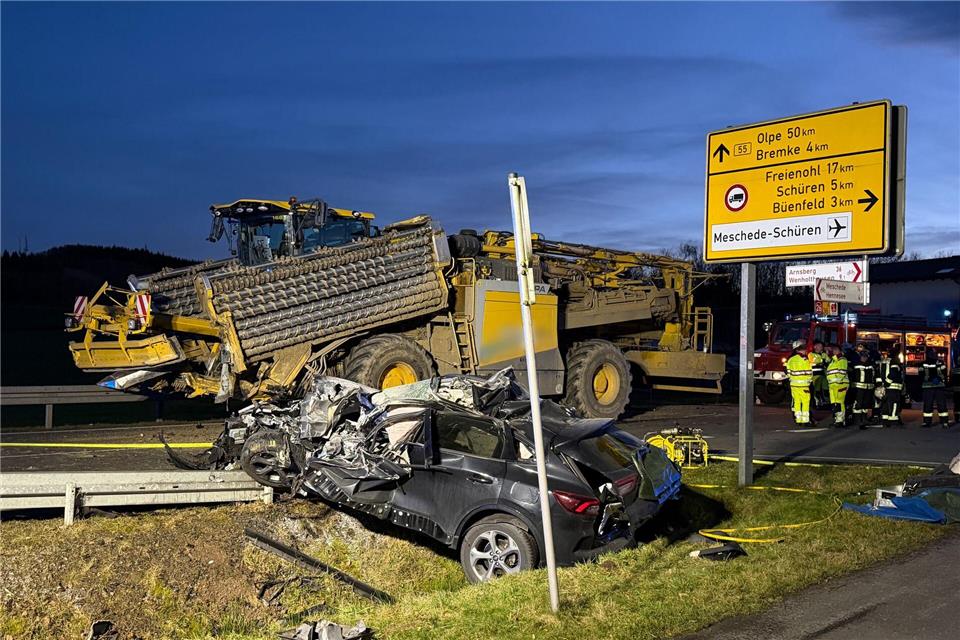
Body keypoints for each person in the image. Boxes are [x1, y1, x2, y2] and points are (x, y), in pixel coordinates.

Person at [785, 340, 813, 426]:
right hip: (804, 385)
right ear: (800, 350)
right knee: (805, 402)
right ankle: (805, 420)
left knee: (797, 402)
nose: (805, 351)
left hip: (794, 385)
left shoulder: (791, 359)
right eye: (804, 350)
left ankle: (798, 419)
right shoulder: (804, 359)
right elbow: (809, 372)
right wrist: (809, 381)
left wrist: (792, 379)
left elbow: (788, 372)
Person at [921, 349, 949, 428]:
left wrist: (939, 379)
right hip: (931, 386)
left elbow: (944, 372)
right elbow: (921, 374)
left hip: (935, 386)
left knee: (940, 404)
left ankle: (943, 422)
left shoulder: (939, 362)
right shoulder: (925, 363)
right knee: (929, 405)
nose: (933, 355)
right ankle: (929, 422)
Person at [851, 343, 875, 430]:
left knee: (865, 405)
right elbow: (853, 376)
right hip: (859, 389)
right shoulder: (856, 364)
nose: (864, 358)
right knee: (858, 405)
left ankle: (864, 419)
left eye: (865, 356)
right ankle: (858, 420)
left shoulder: (871, 365)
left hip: (868, 388)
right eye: (862, 356)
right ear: (860, 356)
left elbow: (873, 376)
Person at [879, 346, 904, 428]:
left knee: (886, 403)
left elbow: (881, 373)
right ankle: (893, 420)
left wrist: (883, 384)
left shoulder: (884, 361)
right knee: (894, 403)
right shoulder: (895, 361)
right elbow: (893, 373)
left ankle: (885, 420)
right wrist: (887, 382)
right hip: (893, 386)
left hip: (886, 386)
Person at [825, 343, 849, 428]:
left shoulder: (841, 359)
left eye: (836, 350)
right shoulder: (833, 360)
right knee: (835, 403)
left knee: (839, 402)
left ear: (839, 351)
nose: (834, 351)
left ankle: (840, 421)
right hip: (833, 385)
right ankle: (837, 420)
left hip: (840, 384)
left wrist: (837, 382)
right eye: (833, 350)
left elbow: (841, 372)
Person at [808, 341, 829, 409]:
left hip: (823, 375)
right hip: (814, 375)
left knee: (825, 388)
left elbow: (829, 361)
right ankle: (816, 403)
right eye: (819, 346)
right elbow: (813, 361)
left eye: (821, 346)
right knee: (816, 390)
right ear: (815, 347)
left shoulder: (824, 354)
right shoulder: (811, 354)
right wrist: (822, 361)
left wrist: (825, 359)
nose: (821, 347)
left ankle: (825, 402)